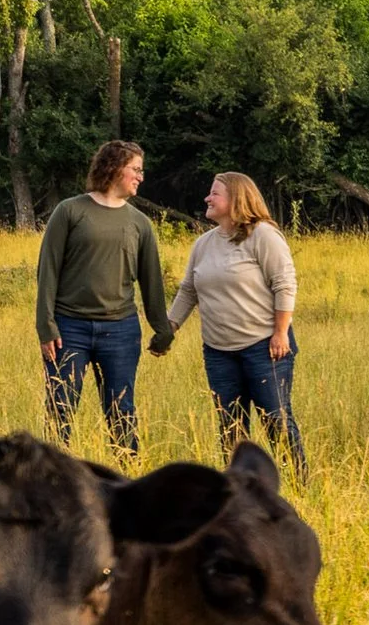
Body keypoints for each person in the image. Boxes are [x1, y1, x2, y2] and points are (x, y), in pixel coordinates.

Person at [157, 170, 303, 470]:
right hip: (218, 352)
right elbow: (188, 290)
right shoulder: (204, 244)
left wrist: (280, 333)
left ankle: (300, 484)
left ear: (236, 199)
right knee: (230, 431)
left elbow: (284, 284)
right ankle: (239, 495)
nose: (207, 198)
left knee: (276, 420)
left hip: (264, 348)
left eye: (215, 193)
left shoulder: (262, 235)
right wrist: (169, 328)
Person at [35, 139, 173, 453]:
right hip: (69, 329)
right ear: (113, 168)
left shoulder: (140, 223)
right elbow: (47, 272)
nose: (141, 176)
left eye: (141, 170)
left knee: (121, 413)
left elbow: (152, 283)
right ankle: (49, 486)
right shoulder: (69, 211)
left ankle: (128, 479)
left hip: (121, 332)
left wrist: (162, 331)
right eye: (135, 169)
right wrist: (46, 326)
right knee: (60, 410)